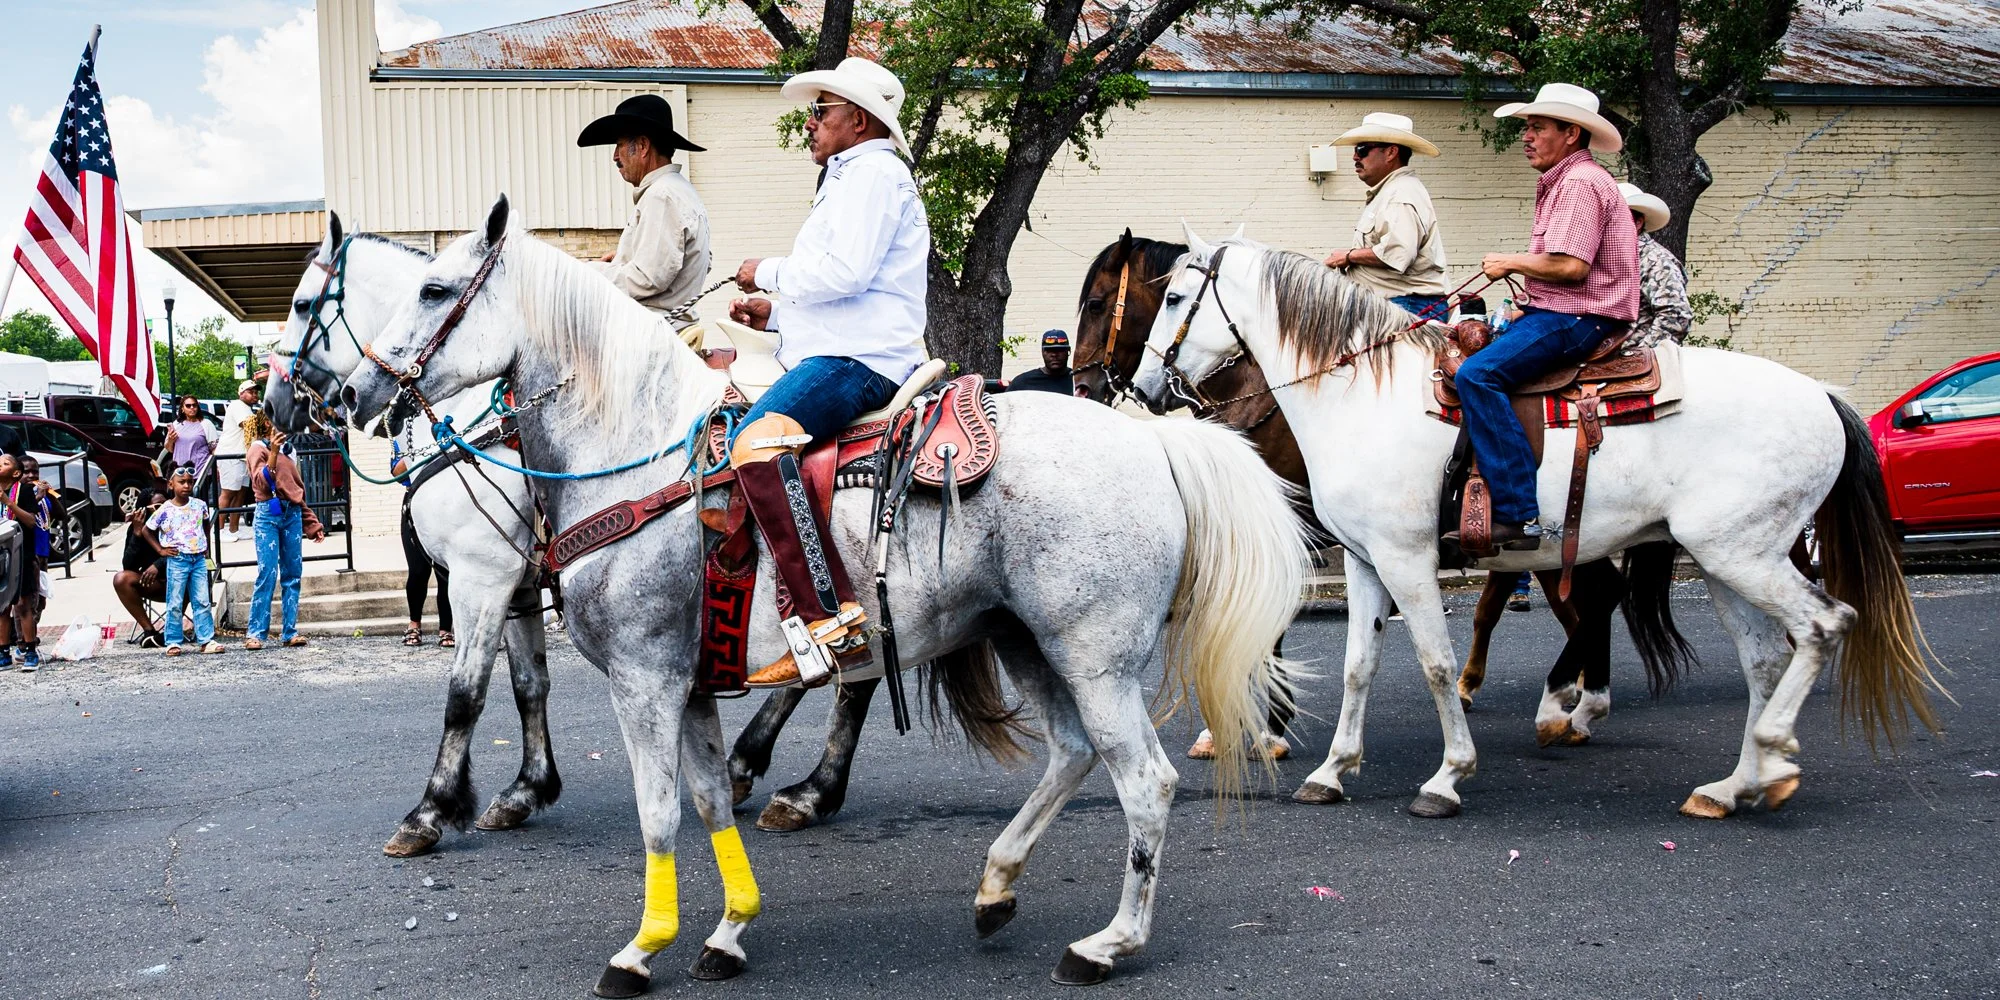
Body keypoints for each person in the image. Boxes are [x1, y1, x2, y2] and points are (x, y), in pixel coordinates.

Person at [726, 57, 929, 686]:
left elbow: (846, 274)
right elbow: (847, 298)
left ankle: (828, 621)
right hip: (844, 347)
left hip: (861, 362)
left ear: (859, 120)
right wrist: (776, 316)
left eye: (823, 111)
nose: (811, 123)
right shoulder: (853, 176)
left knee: (756, 444)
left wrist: (768, 272)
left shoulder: (872, 174)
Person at [1452, 84, 1640, 551]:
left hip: (1579, 316)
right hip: (1562, 309)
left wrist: (1511, 262)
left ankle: (1517, 515)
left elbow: (1572, 267)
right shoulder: (1569, 179)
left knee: (1478, 375)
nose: (1527, 136)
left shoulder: (1578, 183)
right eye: (1528, 128)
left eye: (1537, 127)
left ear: (1571, 132)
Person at [577, 93, 713, 346]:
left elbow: (648, 278)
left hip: (649, 338)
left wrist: (587, 273)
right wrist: (620, 259)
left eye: (618, 145)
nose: (615, 156)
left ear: (642, 146)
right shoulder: (679, 190)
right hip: (666, 329)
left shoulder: (662, 196)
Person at [1323, 112, 1450, 320]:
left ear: (1391, 153)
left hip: (1406, 306)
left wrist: (1348, 256)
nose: (1355, 156)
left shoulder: (1400, 194)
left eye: (1362, 149)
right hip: (1399, 304)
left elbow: (1398, 253)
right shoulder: (1393, 191)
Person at [243, 414, 326, 649]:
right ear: (267, 424)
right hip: (268, 514)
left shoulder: (290, 452)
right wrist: (273, 452)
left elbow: (295, 490)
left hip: (292, 515)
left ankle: (290, 631)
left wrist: (311, 523)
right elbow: (260, 483)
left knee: (293, 574)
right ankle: (256, 633)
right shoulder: (256, 449)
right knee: (267, 573)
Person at [145, 466, 225, 655]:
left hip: (197, 558)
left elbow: (205, 524)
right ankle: (172, 640)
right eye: (182, 482)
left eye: (190, 482)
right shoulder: (165, 509)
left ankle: (206, 639)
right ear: (171, 484)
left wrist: (206, 546)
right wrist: (160, 550)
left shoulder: (199, 505)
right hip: (178, 558)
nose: (187, 485)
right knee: (175, 600)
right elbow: (147, 530)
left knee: (202, 600)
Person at [390, 431, 453, 649]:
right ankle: (414, 623)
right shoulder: (402, 436)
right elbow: (396, 472)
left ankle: (446, 628)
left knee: (445, 571)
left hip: (443, 503)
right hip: (414, 502)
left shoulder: (440, 431)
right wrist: (414, 457)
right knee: (417, 570)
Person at [1618, 183, 1693, 349]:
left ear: (1637, 223)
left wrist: (1643, 351)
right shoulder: (1611, 257)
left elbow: (1675, 315)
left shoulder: (1655, 260)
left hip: (1630, 354)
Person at [0, 454, 47, 669]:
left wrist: (8, 502)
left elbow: (30, 521)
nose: (0, 465)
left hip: (21, 554)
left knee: (23, 604)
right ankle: (3, 652)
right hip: (1, 556)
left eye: (5, 463)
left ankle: (29, 650)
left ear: (16, 473)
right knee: (2, 606)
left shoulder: (25, 491)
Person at [114, 488, 170, 649]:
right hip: (155, 584)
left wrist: (157, 565)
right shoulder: (137, 527)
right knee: (121, 578)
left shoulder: (175, 522)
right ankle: (149, 631)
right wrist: (137, 534)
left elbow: (184, 551)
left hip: (180, 580)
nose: (163, 510)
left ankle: (172, 630)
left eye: (166, 505)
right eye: (157, 506)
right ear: (144, 510)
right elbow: (128, 566)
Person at [217, 380, 259, 541]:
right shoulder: (237, 405)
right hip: (230, 455)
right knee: (228, 492)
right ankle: (220, 530)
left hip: (243, 456)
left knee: (240, 494)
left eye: (256, 392)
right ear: (241, 393)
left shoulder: (248, 409)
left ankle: (234, 529)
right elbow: (248, 426)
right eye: (250, 391)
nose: (254, 394)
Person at [162, 395, 218, 481]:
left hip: (201, 473)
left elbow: (215, 450)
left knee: (199, 494)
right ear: (182, 408)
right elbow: (169, 449)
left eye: (194, 405)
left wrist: (218, 468)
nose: (192, 407)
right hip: (181, 473)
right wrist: (170, 440)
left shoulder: (206, 424)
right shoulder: (176, 424)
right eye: (188, 405)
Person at [1007, 330, 1075, 394]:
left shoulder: (1077, 381)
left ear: (1068, 351)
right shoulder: (1022, 382)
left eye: (1059, 350)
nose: (1054, 354)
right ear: (1042, 352)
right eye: (1049, 350)